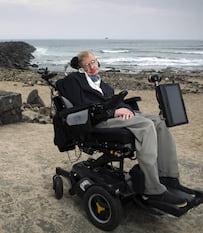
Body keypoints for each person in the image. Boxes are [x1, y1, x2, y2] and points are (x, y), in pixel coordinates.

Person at [59, 51, 188, 208]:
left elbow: (116, 101)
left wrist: (127, 110)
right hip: (97, 121)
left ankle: (168, 176)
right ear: (80, 67)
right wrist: (113, 112)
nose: (93, 67)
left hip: (113, 116)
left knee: (159, 121)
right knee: (146, 126)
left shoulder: (102, 84)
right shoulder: (73, 81)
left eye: (94, 62)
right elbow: (82, 105)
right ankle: (152, 190)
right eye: (88, 65)